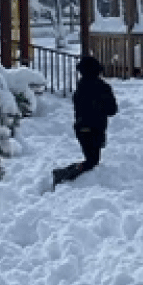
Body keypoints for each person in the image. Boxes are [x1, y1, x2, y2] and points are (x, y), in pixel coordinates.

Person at [52, 55, 119, 187]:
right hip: (96, 128)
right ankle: (63, 174)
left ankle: (65, 173)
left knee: (91, 160)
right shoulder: (104, 88)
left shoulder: (80, 87)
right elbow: (112, 110)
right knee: (92, 161)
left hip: (81, 128)